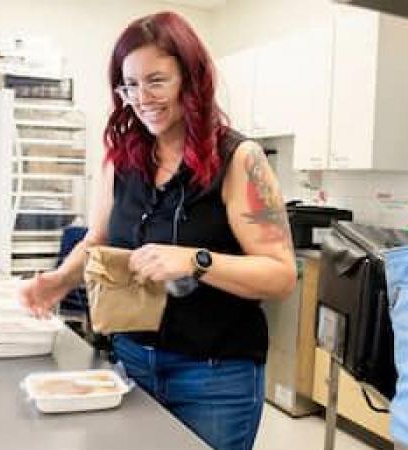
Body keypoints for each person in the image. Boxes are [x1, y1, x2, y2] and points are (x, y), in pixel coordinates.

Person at [20, 11, 296, 450]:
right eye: (129, 85)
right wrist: (57, 281)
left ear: (191, 79)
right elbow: (97, 240)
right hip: (131, 365)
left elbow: (281, 274)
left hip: (214, 376)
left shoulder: (239, 159)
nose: (141, 97)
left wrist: (194, 260)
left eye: (156, 81)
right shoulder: (122, 159)